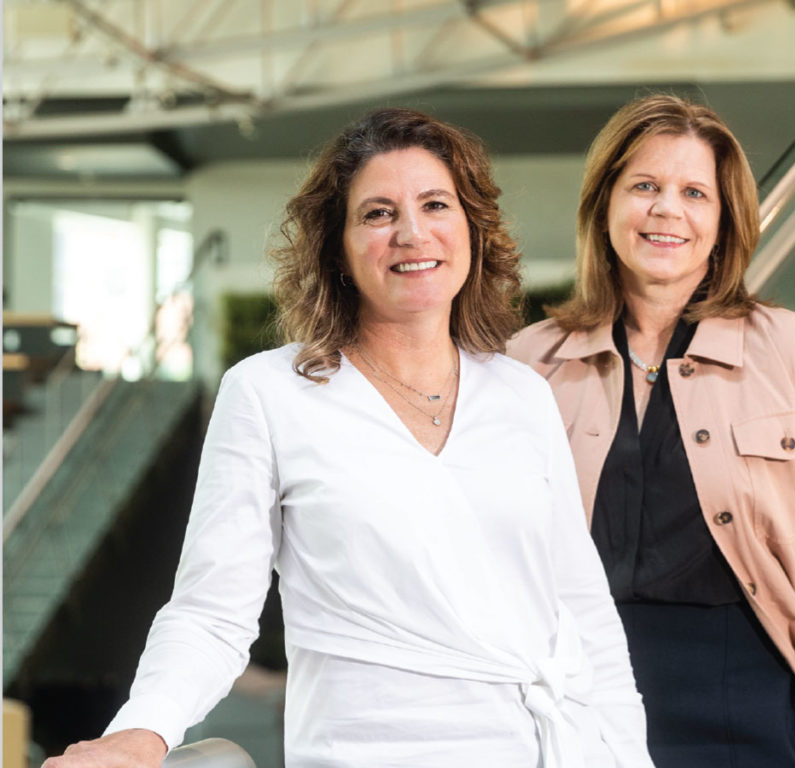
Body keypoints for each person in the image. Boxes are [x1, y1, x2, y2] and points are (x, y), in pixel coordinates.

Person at [43, 108, 654, 768]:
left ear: (472, 229)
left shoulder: (521, 394)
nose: (411, 233)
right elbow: (212, 612)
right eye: (378, 213)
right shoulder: (268, 393)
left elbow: (583, 614)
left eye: (435, 204)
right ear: (337, 245)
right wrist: (141, 731)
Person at [508, 94, 795, 768]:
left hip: (747, 698)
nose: (667, 210)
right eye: (645, 187)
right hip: (577, 693)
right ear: (605, 206)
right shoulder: (525, 364)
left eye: (695, 192)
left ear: (725, 221)